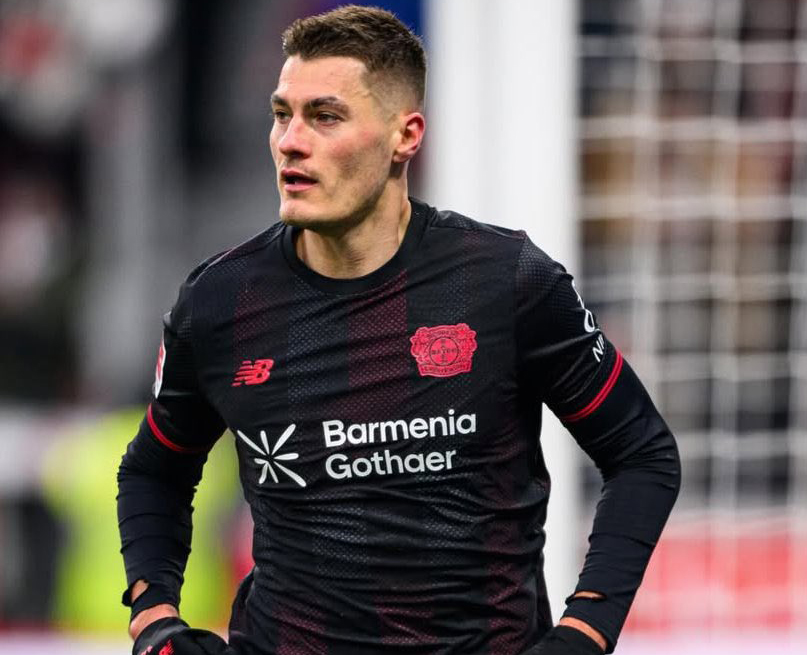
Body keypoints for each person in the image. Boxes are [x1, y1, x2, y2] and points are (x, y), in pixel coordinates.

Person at [117, 6, 680, 655]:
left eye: (324, 116)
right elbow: (154, 468)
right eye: (281, 114)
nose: (290, 141)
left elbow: (642, 454)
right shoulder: (221, 301)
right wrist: (153, 616)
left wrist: (585, 631)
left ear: (404, 136)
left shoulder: (506, 281)